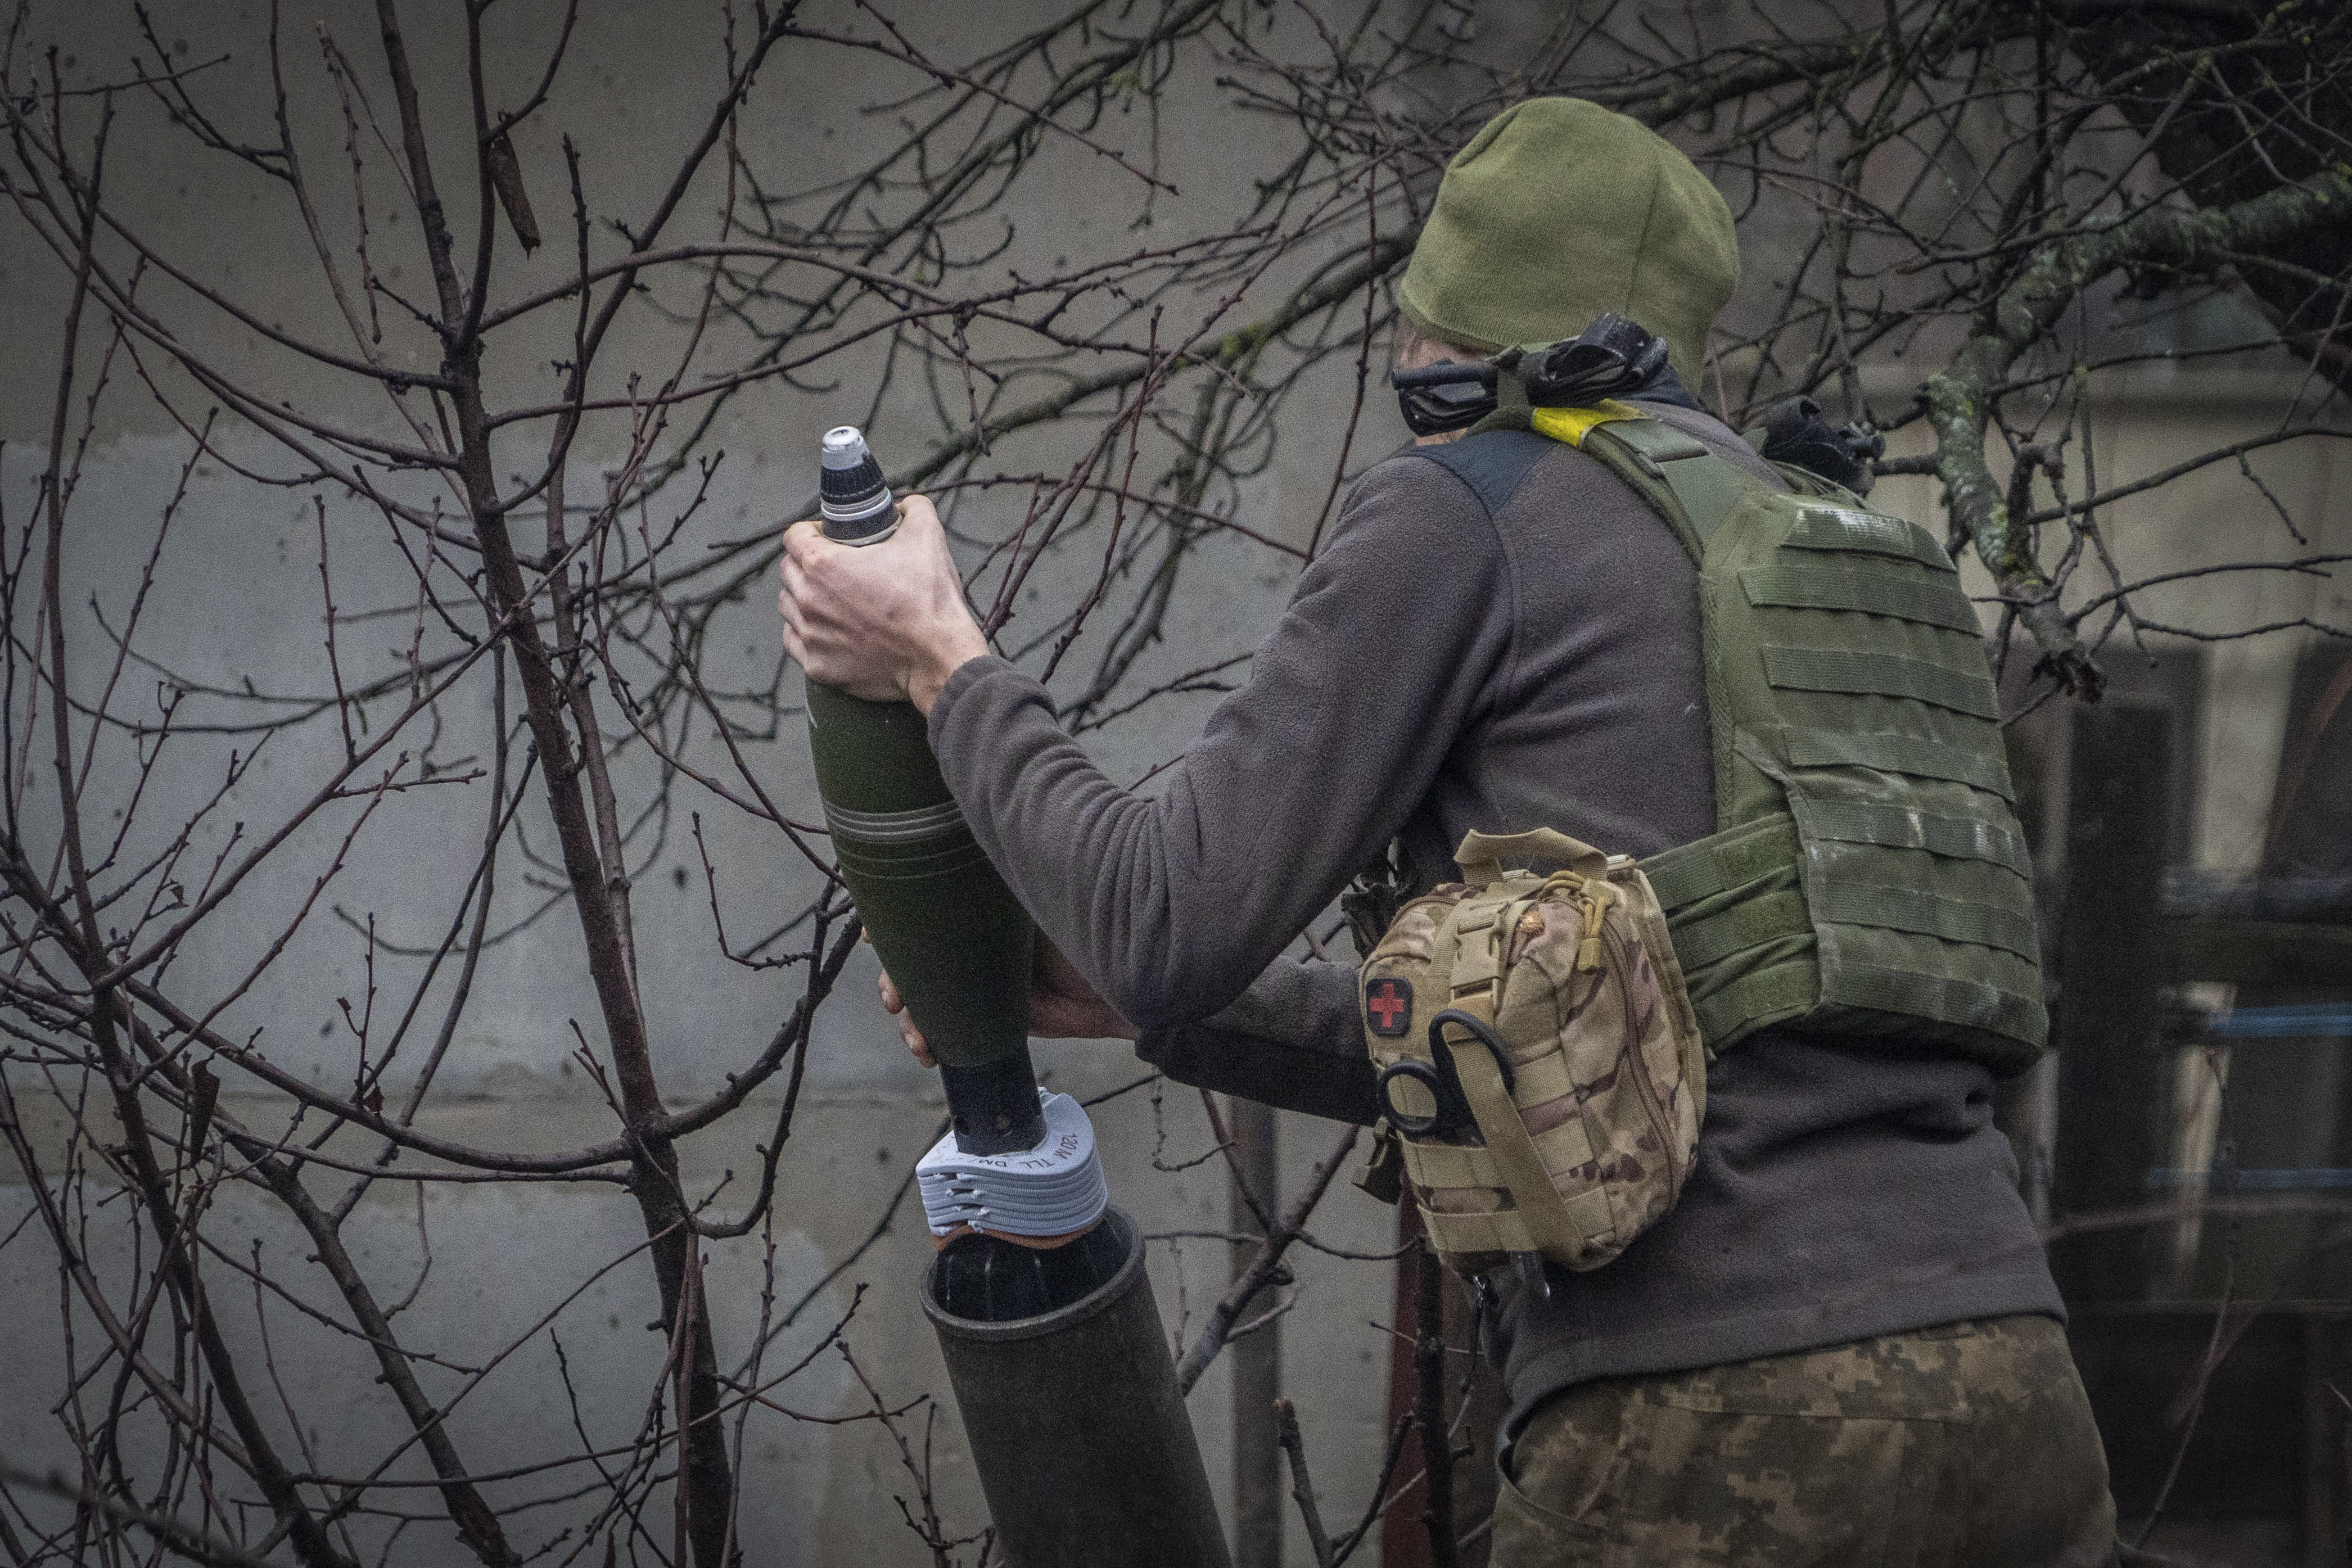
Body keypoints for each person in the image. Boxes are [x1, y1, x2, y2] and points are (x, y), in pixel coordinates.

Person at [780, 97, 2119, 1567]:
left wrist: (936, 654)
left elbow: (1166, 918)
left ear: (1446, 337)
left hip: (1717, 1425)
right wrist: (1148, 1011)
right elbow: (1627, 1039)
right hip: (2019, 1402)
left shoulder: (1469, 502)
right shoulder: (1823, 559)